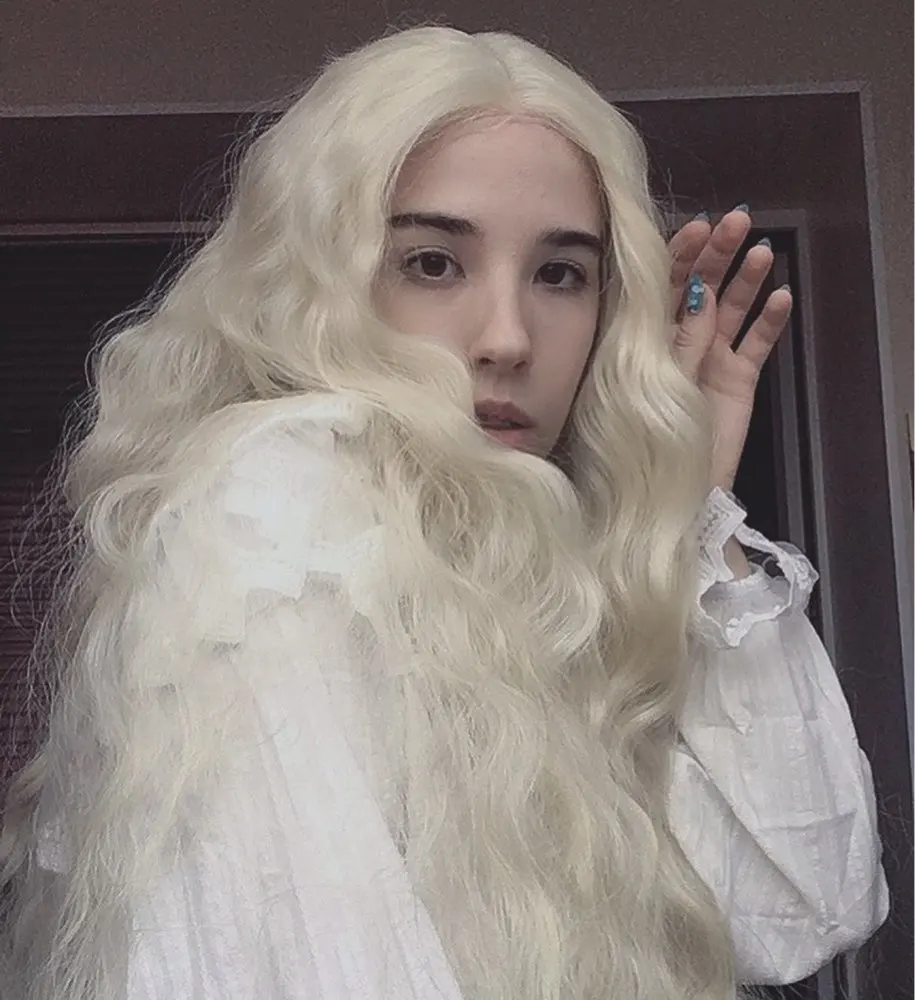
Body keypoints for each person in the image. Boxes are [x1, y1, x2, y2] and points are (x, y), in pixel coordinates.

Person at [0, 24, 888, 1000]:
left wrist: (689, 505)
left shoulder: (519, 576)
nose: (507, 338)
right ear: (319, 281)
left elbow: (804, 906)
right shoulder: (276, 506)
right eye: (432, 262)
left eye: (559, 273)